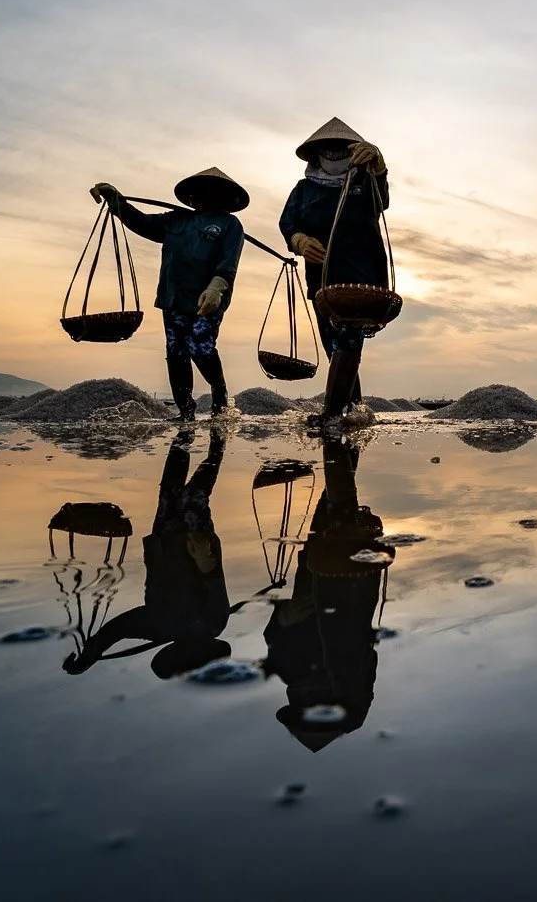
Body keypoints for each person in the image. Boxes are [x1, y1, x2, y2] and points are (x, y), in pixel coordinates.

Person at [62, 429, 231, 677]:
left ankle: (186, 432)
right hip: (194, 543)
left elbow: (117, 629)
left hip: (164, 542)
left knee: (170, 488)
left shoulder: (158, 627)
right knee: (194, 495)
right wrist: (204, 557)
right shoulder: (214, 623)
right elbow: (214, 579)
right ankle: (218, 435)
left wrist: (91, 654)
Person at [263, 435, 391, 751]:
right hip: (349, 589)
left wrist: (285, 615)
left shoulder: (292, 673)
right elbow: (370, 654)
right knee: (336, 511)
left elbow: (275, 634)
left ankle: (344, 443)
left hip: (322, 581)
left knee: (332, 510)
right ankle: (344, 441)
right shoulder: (352, 686)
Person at [91, 170, 247, 420]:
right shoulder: (175, 220)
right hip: (173, 297)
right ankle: (185, 410)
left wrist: (216, 288)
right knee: (176, 352)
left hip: (206, 299)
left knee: (200, 346)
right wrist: (116, 201)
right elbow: (141, 222)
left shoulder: (230, 225)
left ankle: (220, 394)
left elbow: (229, 262)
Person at [279, 118, 390, 432]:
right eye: (329, 151)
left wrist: (379, 167)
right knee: (334, 344)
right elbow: (287, 224)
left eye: (342, 150)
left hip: (361, 276)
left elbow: (381, 200)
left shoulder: (362, 181)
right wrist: (299, 241)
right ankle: (353, 410)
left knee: (348, 339)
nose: (335, 155)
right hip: (322, 280)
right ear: (317, 155)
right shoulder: (304, 190)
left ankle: (331, 415)